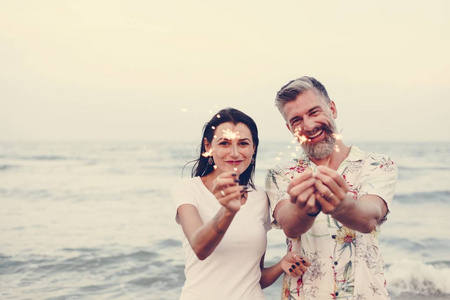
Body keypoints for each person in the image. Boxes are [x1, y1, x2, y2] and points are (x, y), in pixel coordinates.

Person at [266, 77, 398, 300]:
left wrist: (339, 204)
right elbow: (289, 226)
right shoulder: (281, 174)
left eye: (314, 112)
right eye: (297, 120)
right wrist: (306, 207)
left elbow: (369, 218)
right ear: (290, 128)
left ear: (332, 109)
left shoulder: (377, 164)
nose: (308, 126)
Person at [172, 108, 311, 300]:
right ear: (208, 146)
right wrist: (228, 210)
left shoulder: (260, 199)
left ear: (253, 148)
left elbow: (256, 278)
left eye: (244, 143)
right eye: (224, 143)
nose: (235, 153)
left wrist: (281, 265)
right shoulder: (188, 189)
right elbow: (200, 247)